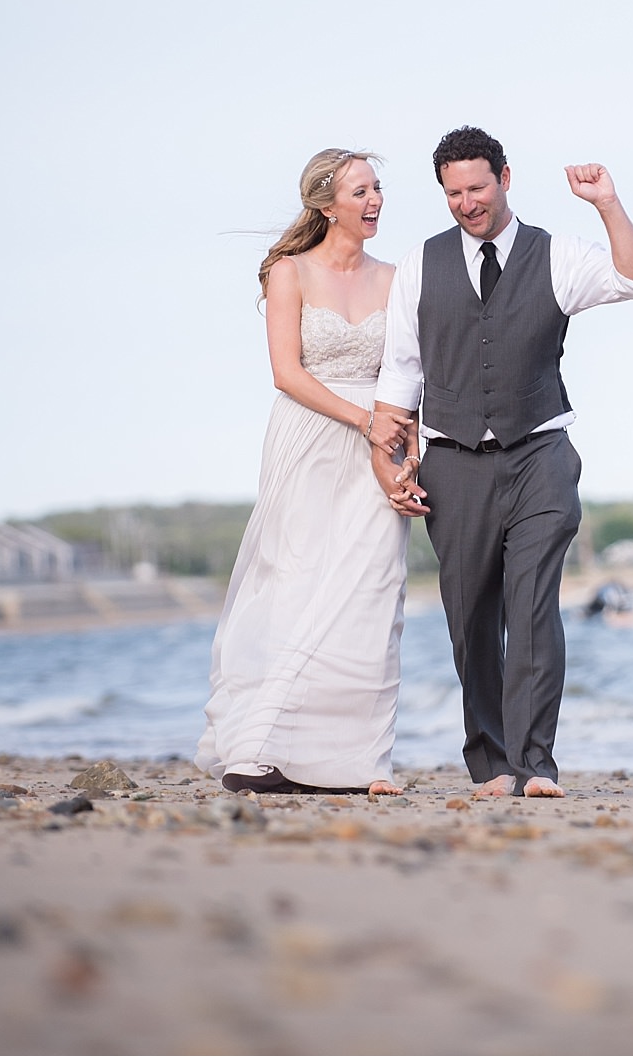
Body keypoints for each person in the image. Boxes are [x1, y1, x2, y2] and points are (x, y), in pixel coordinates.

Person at [374, 126, 633, 798]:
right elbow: (401, 373)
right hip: (451, 461)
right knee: (470, 617)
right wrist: (391, 463)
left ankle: (535, 766)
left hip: (541, 455)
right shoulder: (420, 263)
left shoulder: (555, 255)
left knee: (532, 609)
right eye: (452, 193)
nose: (466, 203)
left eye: (476, 187)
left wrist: (606, 205)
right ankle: (491, 763)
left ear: (504, 177)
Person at [196, 148, 416, 796]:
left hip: (381, 439)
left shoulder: (399, 278)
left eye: (378, 188)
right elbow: (286, 373)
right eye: (360, 191)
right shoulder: (288, 272)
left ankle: (356, 763)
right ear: (326, 205)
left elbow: (408, 370)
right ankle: (257, 751)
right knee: (294, 587)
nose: (375, 201)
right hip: (310, 436)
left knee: (373, 590)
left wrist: (405, 444)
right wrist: (363, 420)